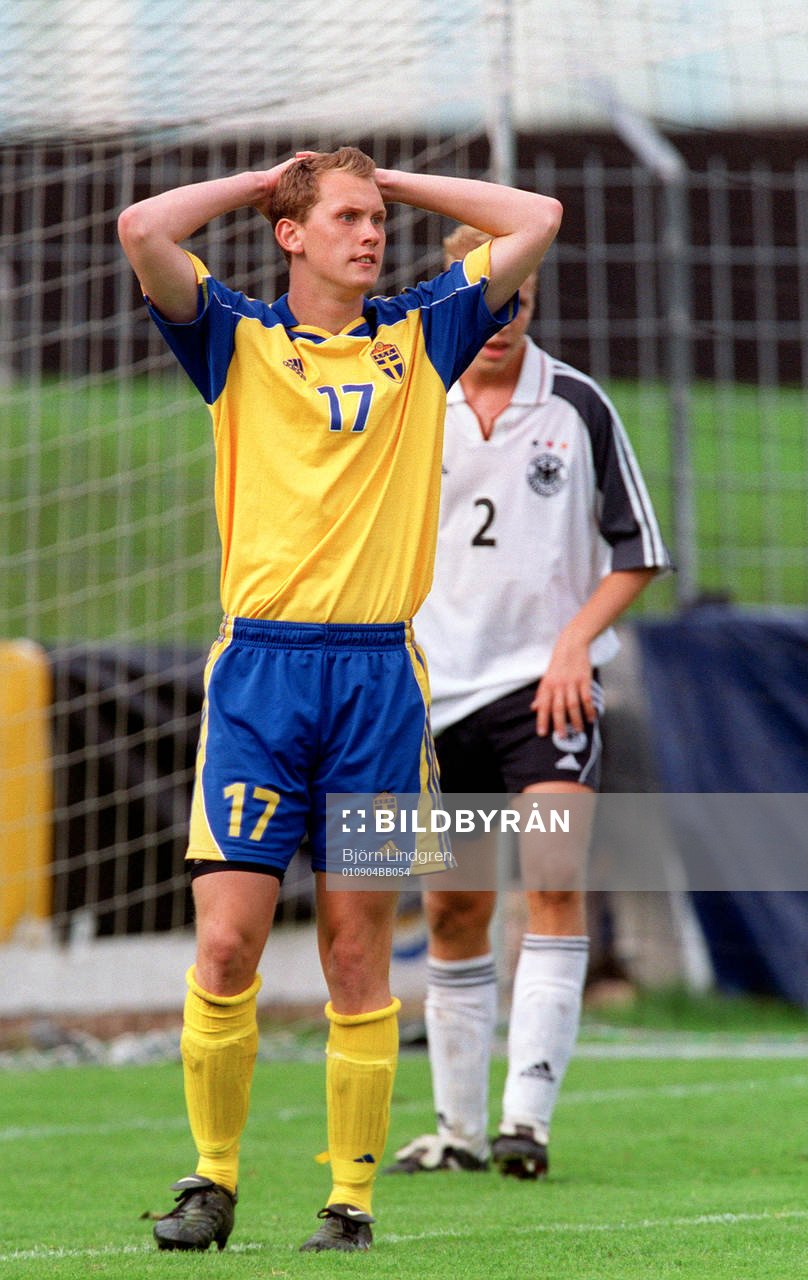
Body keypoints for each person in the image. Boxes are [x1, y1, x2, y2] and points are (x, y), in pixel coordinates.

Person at [117, 151, 562, 1252]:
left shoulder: (425, 330)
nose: (370, 234)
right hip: (260, 676)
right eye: (348, 217)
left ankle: (349, 1200)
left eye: (376, 218)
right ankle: (211, 1180)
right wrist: (267, 177)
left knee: (357, 950)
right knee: (227, 943)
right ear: (291, 233)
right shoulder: (236, 336)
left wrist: (397, 179)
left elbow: (537, 215)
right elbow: (141, 228)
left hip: (375, 683)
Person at [385, 223, 670, 1181]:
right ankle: (457, 1132)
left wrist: (570, 645)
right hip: (432, 696)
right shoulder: (405, 403)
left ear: (535, 296)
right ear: (455, 297)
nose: (500, 318)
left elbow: (638, 554)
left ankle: (526, 1127)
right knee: (454, 908)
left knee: (552, 881)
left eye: (518, 298)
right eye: (484, 298)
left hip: (543, 693)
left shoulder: (579, 407)